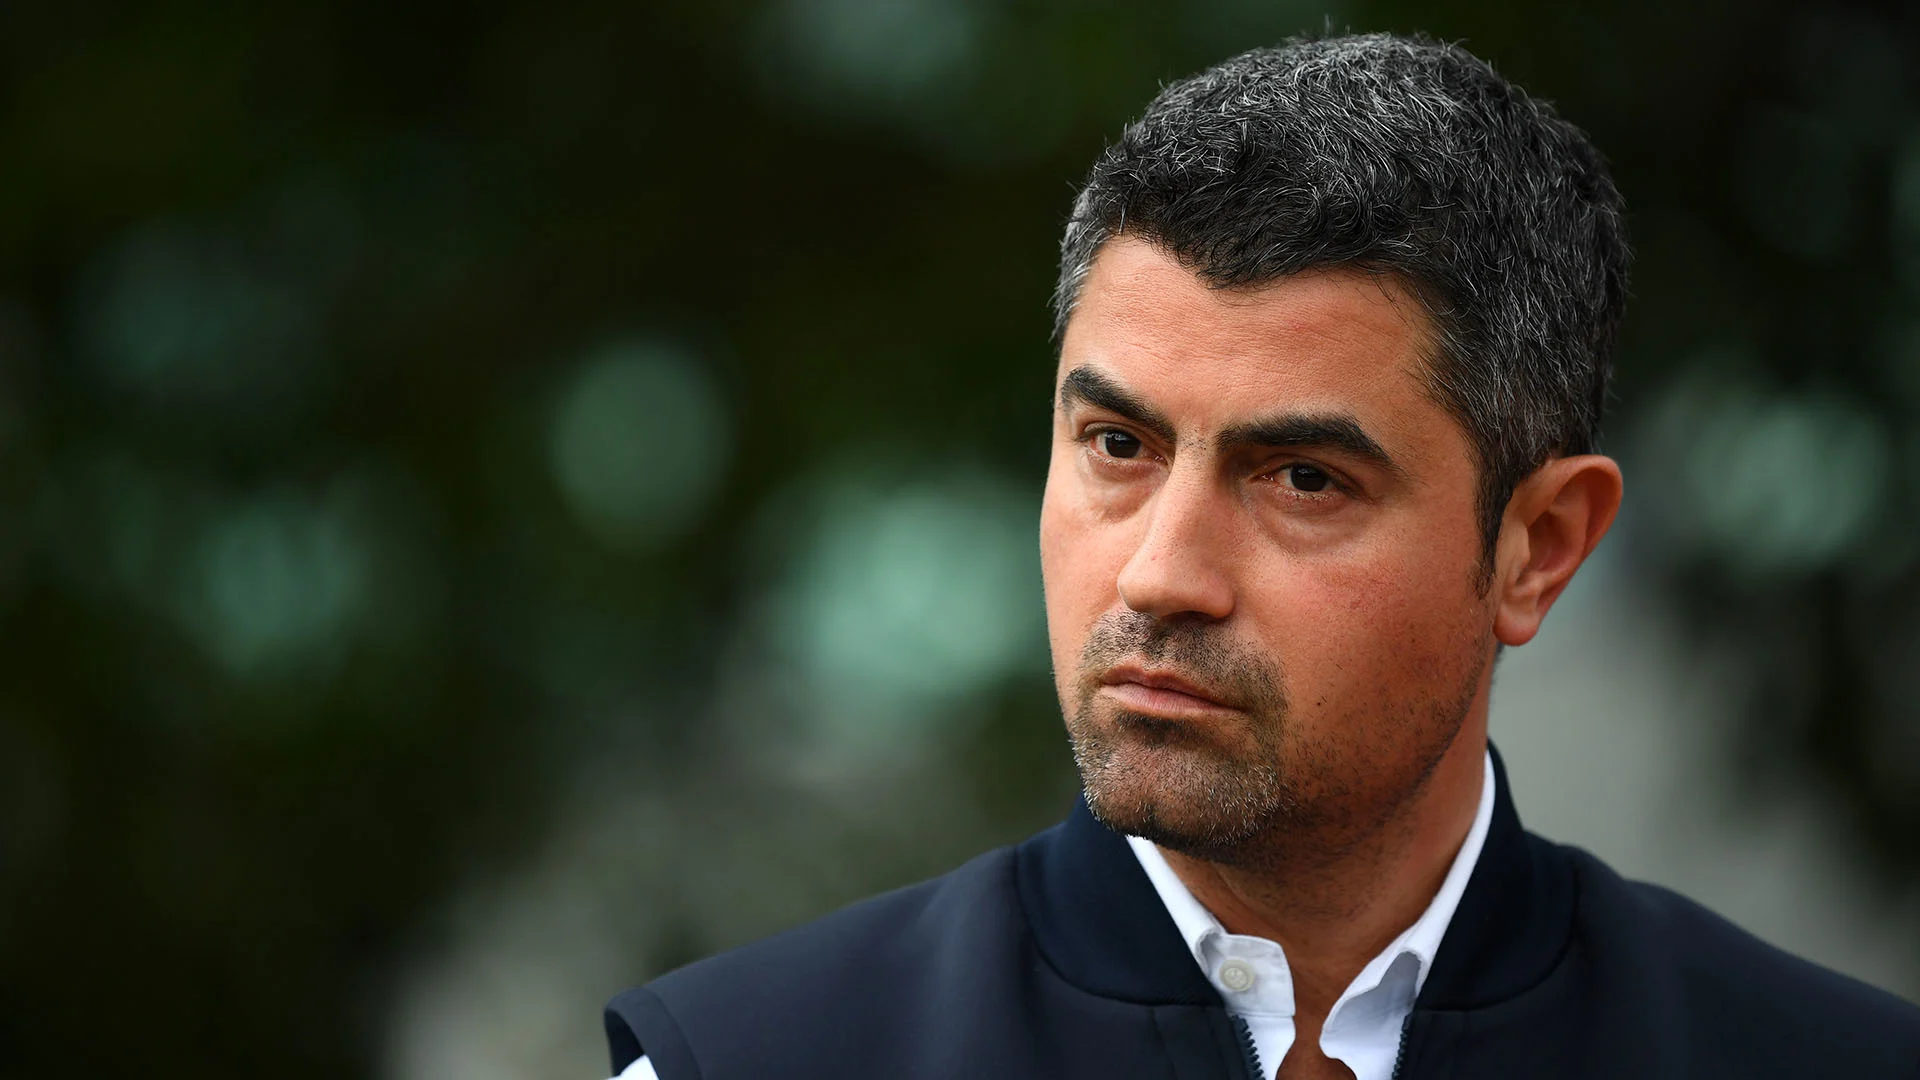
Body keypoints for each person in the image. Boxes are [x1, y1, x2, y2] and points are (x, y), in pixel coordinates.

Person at [603, 32, 1920, 1080]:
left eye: (1302, 479)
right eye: (1118, 445)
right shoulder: (754, 1062)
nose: (1161, 574)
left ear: (1538, 547)